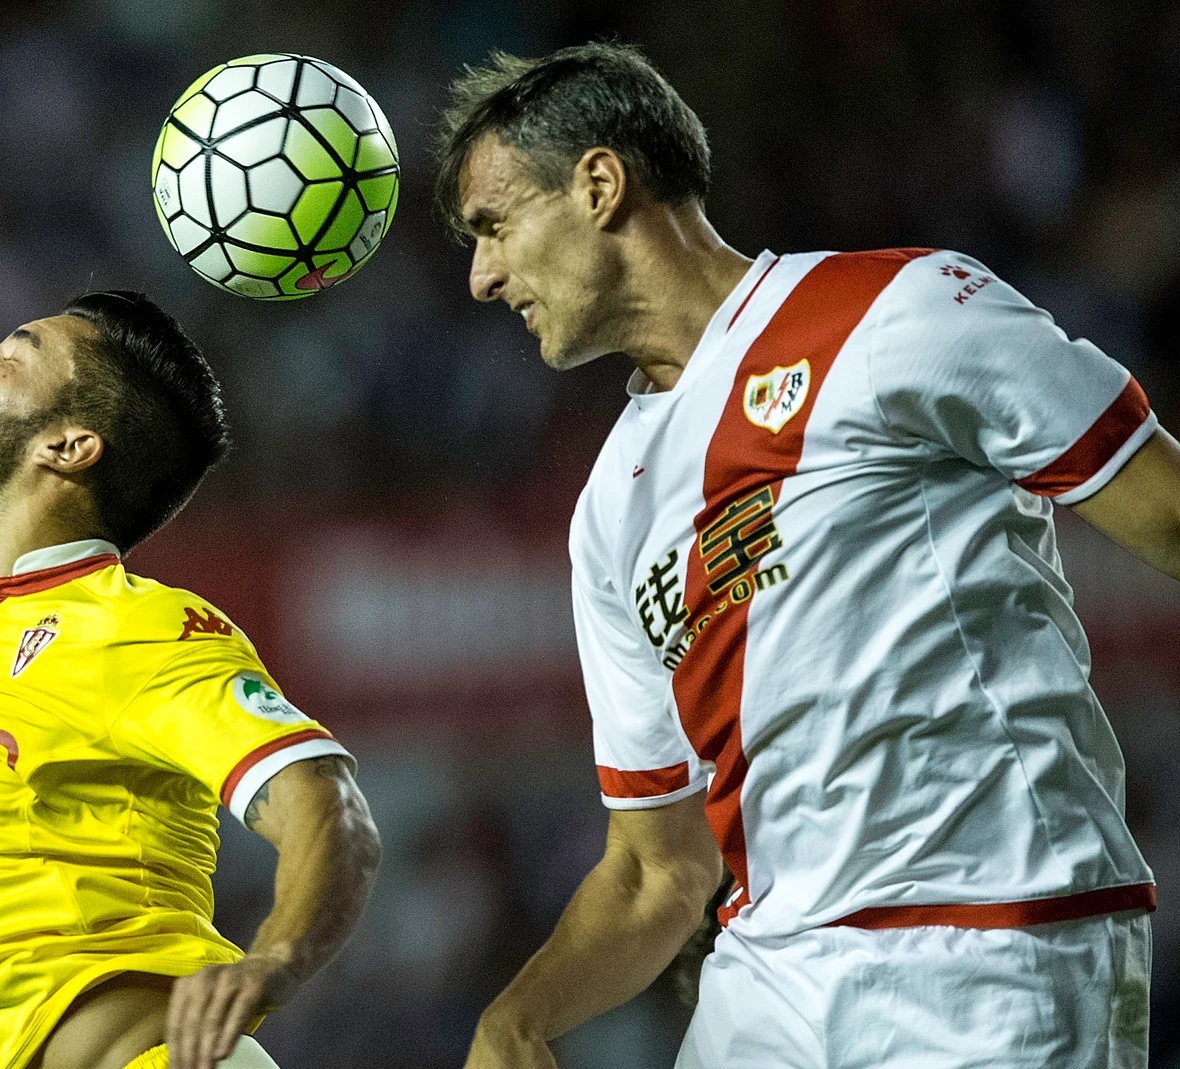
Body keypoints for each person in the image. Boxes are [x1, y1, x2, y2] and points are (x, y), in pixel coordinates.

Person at [434, 42, 1179, 1069]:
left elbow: (1171, 514)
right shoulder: (609, 508)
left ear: (599, 185)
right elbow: (657, 873)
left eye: (493, 226)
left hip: (995, 951)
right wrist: (514, 1015)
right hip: (767, 984)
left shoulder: (896, 312)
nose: (480, 276)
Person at [0, 290, 380, 1069]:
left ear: (70, 445)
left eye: (13, 356)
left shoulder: (131, 623)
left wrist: (272, 960)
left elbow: (327, 804)